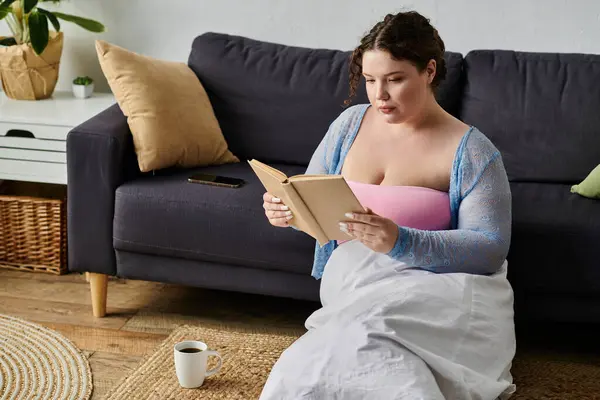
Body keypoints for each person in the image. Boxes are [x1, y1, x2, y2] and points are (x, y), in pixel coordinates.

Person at [259, 10, 516, 400]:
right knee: (314, 362)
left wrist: (400, 240)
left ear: (429, 71)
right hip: (357, 280)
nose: (379, 95)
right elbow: (310, 197)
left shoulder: (472, 150)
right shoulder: (349, 126)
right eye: (370, 80)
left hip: (443, 286)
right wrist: (289, 213)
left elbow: (490, 247)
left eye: (395, 80)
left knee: (372, 334)